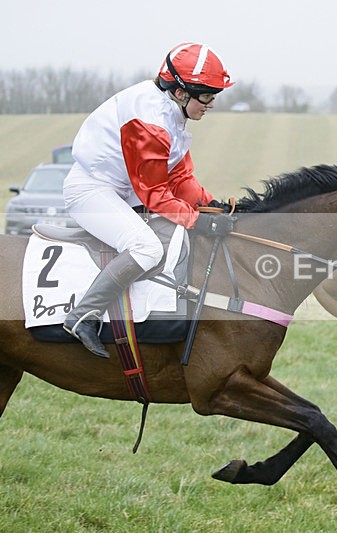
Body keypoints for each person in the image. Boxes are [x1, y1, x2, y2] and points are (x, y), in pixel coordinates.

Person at [62, 42, 236, 358]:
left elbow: (181, 178)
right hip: (91, 190)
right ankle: (82, 316)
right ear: (182, 92)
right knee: (147, 247)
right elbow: (157, 195)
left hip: (122, 191)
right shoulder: (150, 121)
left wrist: (214, 205)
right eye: (207, 96)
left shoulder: (172, 114)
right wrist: (200, 219)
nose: (210, 104)